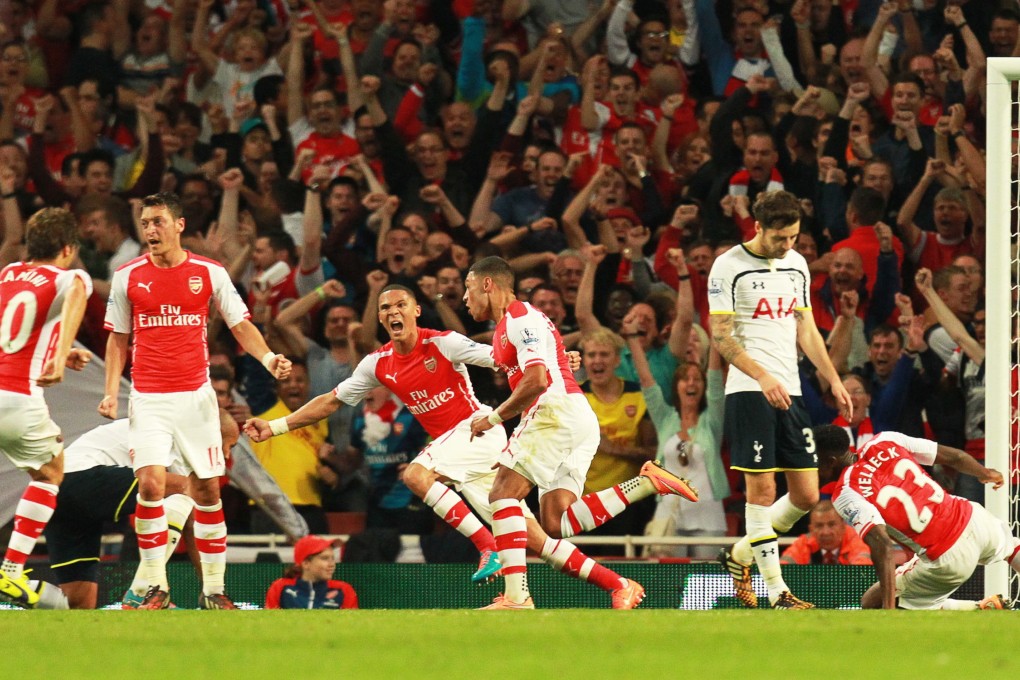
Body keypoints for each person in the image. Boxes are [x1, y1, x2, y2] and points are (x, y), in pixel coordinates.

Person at [246, 283, 672, 610]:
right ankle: (619, 585)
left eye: (400, 306)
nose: (392, 313)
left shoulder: (443, 342)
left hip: (478, 431)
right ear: (380, 319)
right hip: (459, 451)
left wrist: (559, 360)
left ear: (415, 311)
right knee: (536, 539)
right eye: (384, 309)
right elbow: (330, 401)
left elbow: (501, 358)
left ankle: (487, 548)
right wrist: (276, 425)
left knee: (414, 474)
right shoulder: (377, 363)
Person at [464, 256, 695, 609]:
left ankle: (516, 597)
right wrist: (563, 359)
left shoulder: (519, 318)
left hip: (552, 412)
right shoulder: (521, 322)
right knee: (556, 523)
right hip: (574, 414)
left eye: (468, 288)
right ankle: (646, 483)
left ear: (487, 284)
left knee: (502, 496)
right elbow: (546, 361)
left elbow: (537, 380)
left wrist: (493, 419)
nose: (466, 299)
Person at [99, 191, 291, 610]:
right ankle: (155, 586)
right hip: (148, 396)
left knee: (206, 491)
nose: (151, 230)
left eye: (159, 222)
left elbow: (240, 324)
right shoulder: (127, 276)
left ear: (179, 225)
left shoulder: (209, 272)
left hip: (196, 398)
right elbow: (118, 338)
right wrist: (112, 391)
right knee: (150, 483)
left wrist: (268, 357)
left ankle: (214, 592)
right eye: (146, 223)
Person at [709, 190, 852, 609]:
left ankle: (739, 555)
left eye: (793, 237)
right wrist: (762, 375)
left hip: (789, 388)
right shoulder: (728, 267)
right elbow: (722, 336)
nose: (787, 245)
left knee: (808, 495)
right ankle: (778, 592)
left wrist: (832, 379)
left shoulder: (797, 264)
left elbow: (805, 327)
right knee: (762, 491)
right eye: (780, 238)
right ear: (758, 228)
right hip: (750, 390)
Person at [45, 412, 239, 609]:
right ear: (210, 435)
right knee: (189, 489)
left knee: (77, 603)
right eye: (227, 445)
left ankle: (22, 587)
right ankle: (142, 592)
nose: (226, 455)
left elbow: (192, 522)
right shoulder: (178, 438)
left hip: (58, 490)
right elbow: (193, 515)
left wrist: (211, 589)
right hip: (81, 476)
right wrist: (213, 591)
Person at [0, 207, 92, 609]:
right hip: (17, 397)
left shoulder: (5, 274)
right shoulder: (68, 275)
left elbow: (12, 332)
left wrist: (58, 349)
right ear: (67, 249)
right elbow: (77, 292)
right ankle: (12, 570)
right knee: (52, 471)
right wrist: (56, 360)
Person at [815, 425, 1013, 611]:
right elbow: (955, 457)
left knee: (871, 602)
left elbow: (882, 545)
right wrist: (985, 473)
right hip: (974, 518)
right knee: (1012, 547)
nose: (809, 469)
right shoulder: (885, 439)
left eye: (813, 462)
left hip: (947, 557)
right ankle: (987, 605)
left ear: (830, 461)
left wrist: (888, 609)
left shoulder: (846, 492)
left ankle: (977, 608)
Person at [264, 535, 359, 610]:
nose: (332, 564)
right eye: (324, 558)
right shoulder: (280, 587)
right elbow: (268, 624)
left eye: (332, 558)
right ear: (306, 564)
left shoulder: (344, 590)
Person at [779, 501, 872, 566]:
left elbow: (862, 572)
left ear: (843, 526)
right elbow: (782, 569)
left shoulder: (856, 540)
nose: (825, 532)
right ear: (811, 529)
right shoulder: (804, 543)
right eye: (819, 526)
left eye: (831, 525)